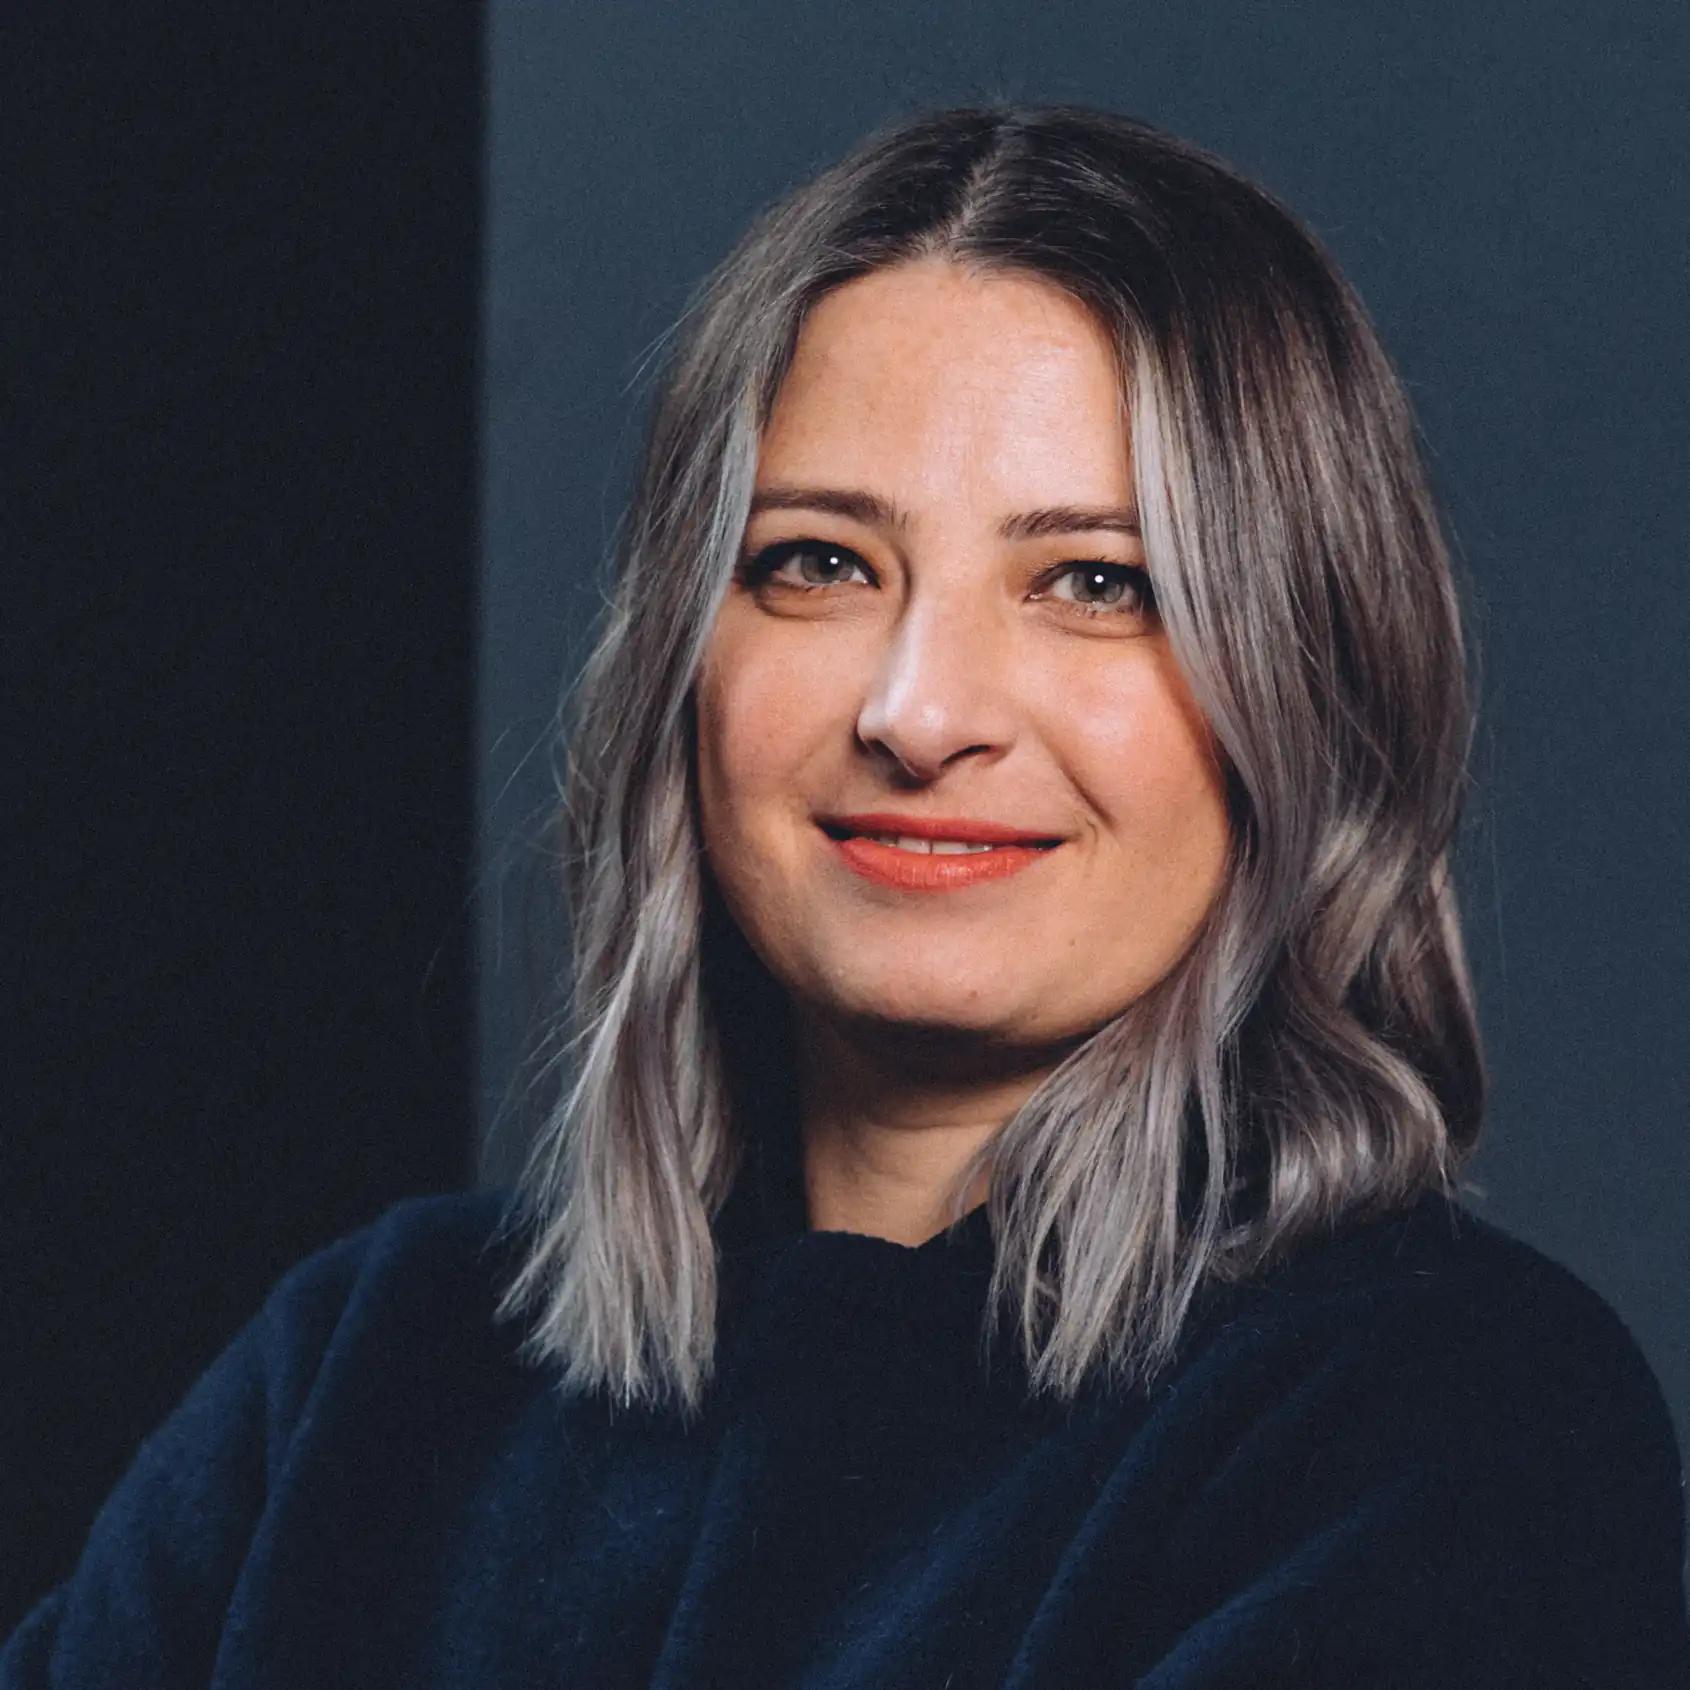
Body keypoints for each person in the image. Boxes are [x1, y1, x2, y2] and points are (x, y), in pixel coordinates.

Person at [5, 101, 1687, 1689]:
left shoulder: (1443, 1423)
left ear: (1313, 693)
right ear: (679, 655)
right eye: (816, 561)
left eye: (1096, 581)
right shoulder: (365, 1368)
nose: (917, 710)